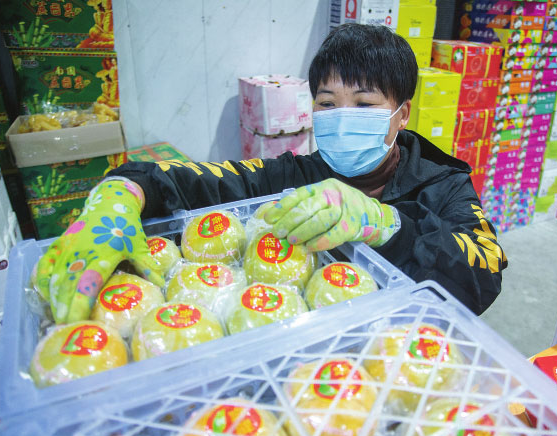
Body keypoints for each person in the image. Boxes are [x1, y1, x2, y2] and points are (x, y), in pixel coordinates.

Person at [34, 23, 507, 324]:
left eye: (364, 104)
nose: (343, 117)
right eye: (328, 104)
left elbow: (483, 278)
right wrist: (118, 194)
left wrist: (386, 224)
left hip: (403, 350)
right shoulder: (292, 177)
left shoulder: (443, 183)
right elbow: (191, 180)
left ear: (401, 115)